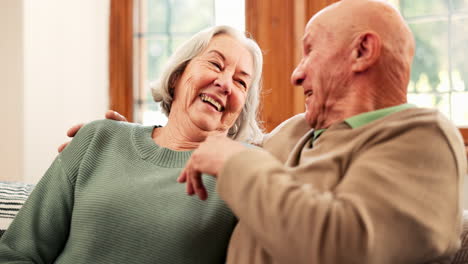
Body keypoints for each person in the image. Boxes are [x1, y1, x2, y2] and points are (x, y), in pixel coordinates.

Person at [177, 0, 467, 263]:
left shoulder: (424, 139)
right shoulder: (296, 130)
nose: (296, 74)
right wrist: (134, 134)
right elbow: (227, 150)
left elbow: (344, 247)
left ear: (362, 51)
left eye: (310, 51)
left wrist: (233, 162)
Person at [0, 25, 264, 263]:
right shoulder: (98, 138)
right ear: (177, 77)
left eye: (241, 82)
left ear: (241, 109)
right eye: (216, 65)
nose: (226, 84)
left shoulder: (244, 170)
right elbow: (17, 252)